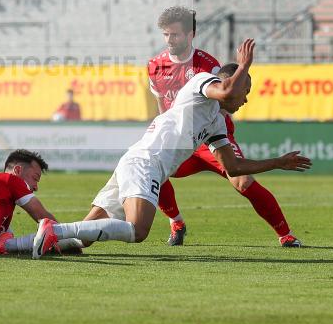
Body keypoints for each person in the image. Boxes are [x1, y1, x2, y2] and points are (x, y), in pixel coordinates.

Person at [25, 39, 312, 259]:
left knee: (82, 240)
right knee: (138, 231)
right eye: (246, 91)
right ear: (230, 82)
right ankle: (55, 229)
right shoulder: (203, 83)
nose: (245, 99)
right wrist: (245, 66)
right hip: (146, 163)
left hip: (136, 161)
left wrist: (278, 162)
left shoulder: (216, 122)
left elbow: (233, 168)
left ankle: (14, 245)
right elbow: (226, 91)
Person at [149, 7, 300, 248]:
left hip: (212, 136)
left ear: (190, 35)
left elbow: (226, 100)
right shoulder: (154, 66)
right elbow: (162, 105)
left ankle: (286, 234)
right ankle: (176, 221)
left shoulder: (208, 65)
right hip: (181, 138)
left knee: (243, 182)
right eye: (166, 34)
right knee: (152, 170)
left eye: (175, 34)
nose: (170, 40)